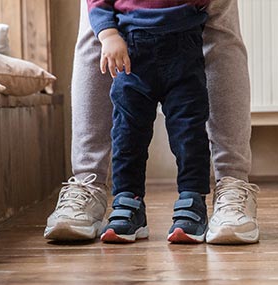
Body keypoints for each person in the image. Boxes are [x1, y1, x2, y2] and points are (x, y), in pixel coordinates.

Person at [45, 0, 259, 245]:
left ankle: (201, 198)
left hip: (183, 46)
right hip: (130, 55)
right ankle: (116, 196)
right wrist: (108, 33)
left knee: (189, 134)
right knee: (127, 135)